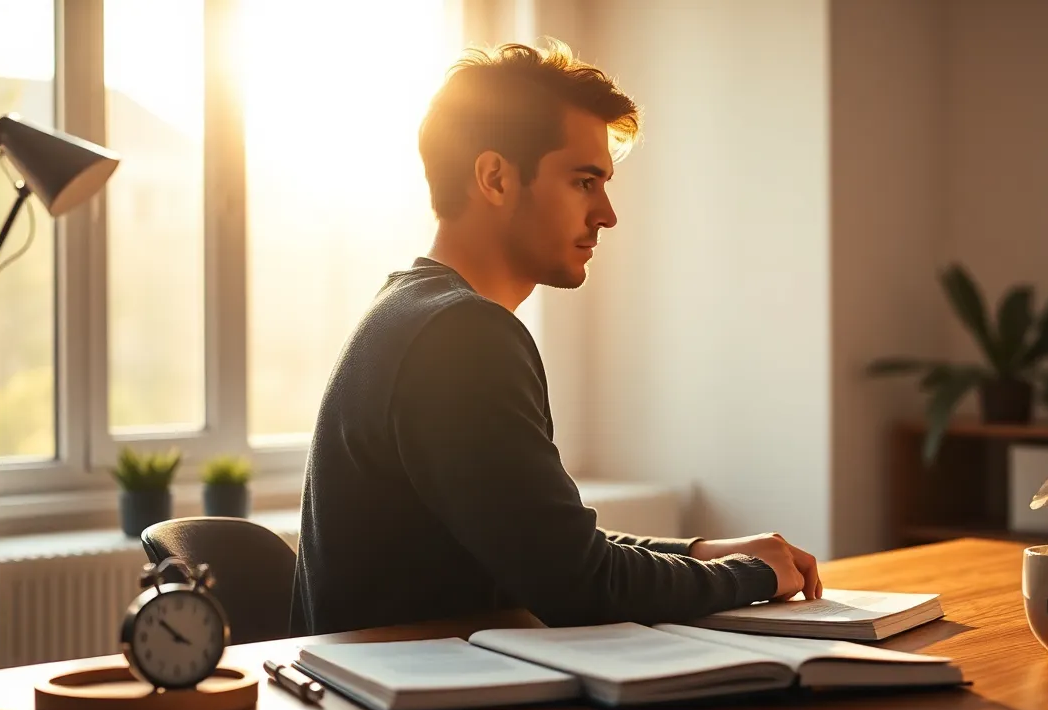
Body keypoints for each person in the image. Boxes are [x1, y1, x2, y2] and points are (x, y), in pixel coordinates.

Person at [290, 40, 822, 637]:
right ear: (494, 177)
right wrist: (751, 576)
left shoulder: (408, 310)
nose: (608, 214)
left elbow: (539, 537)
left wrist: (701, 552)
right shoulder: (462, 337)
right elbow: (580, 585)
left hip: (393, 705)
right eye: (584, 182)